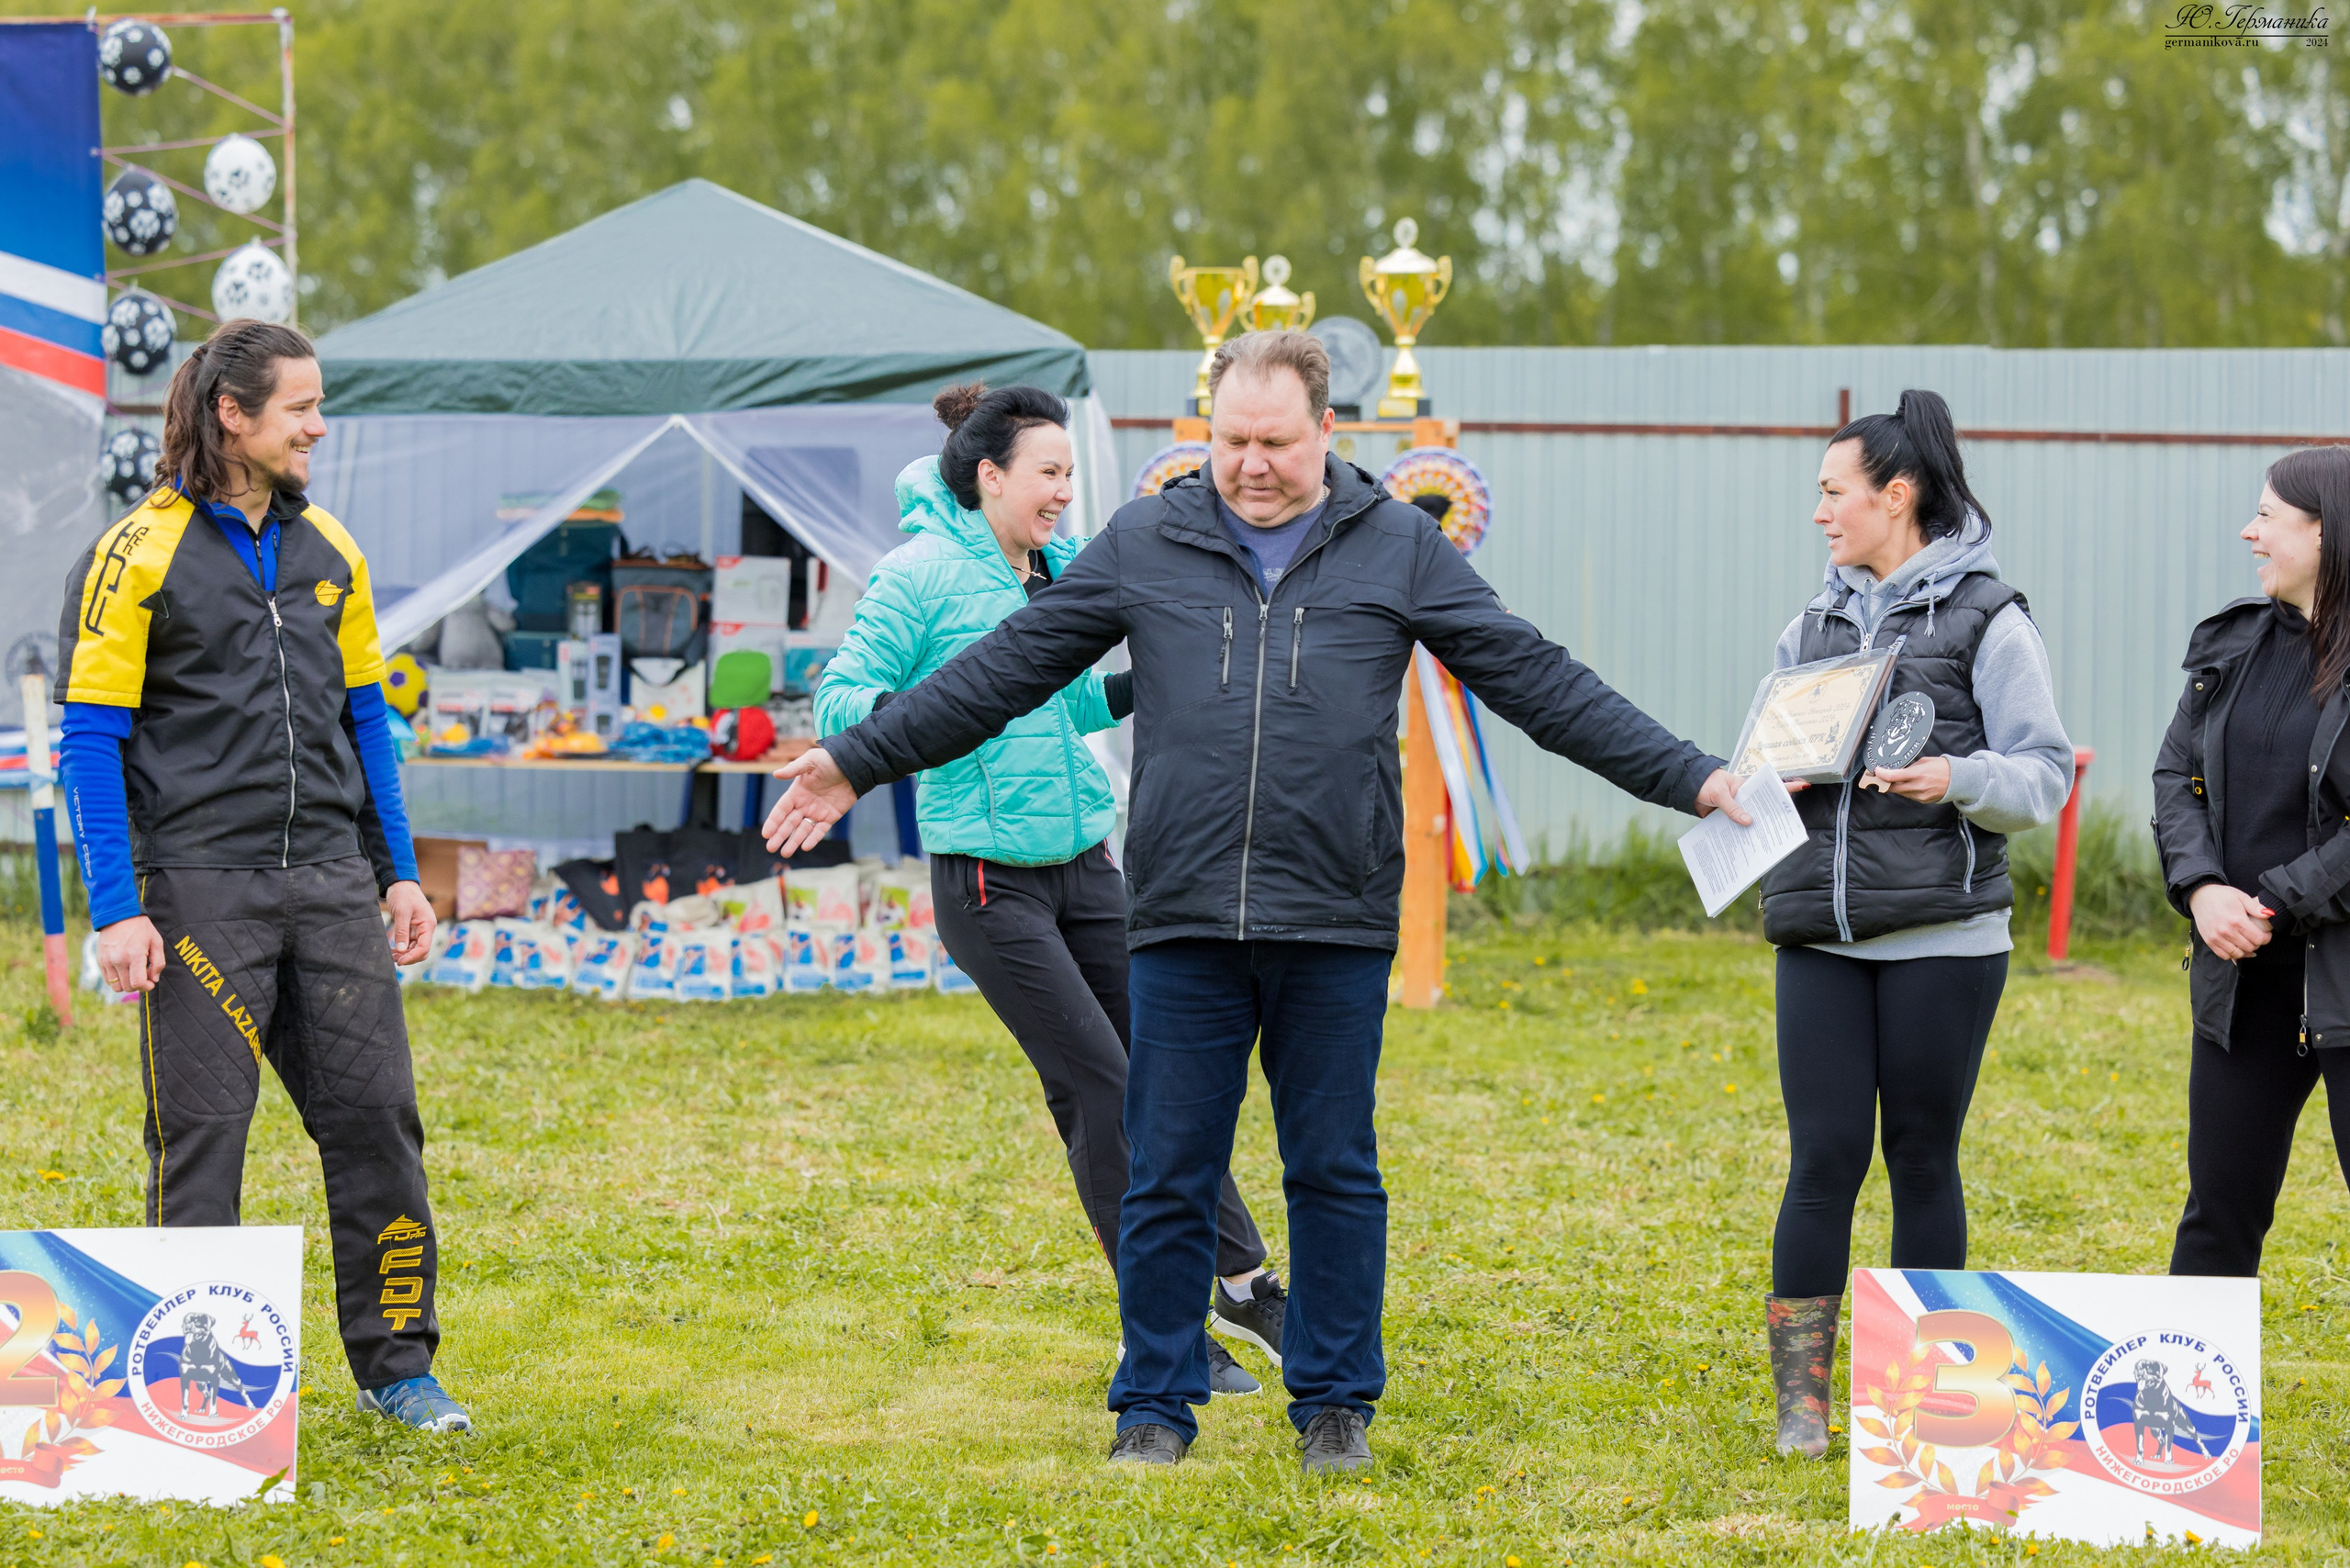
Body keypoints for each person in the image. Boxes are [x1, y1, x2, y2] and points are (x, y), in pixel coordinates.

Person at [763, 330, 1749, 1473]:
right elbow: (1004, 669)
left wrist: (1689, 775)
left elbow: (1535, 677)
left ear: (1327, 431)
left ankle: (1333, 1404)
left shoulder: (1398, 546)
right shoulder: (1148, 539)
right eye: (1230, 440)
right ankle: (1153, 1402)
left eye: (1275, 442)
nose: (1251, 464)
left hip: (1332, 914)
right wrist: (860, 757)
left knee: (1332, 1169)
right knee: (1166, 1162)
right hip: (1183, 915)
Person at [816, 381, 1280, 1398]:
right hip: (987, 880)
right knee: (1104, 1088)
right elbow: (840, 699)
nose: (1066, 491)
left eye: (1071, 473)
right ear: (991, 476)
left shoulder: (1057, 572)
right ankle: (1163, 1327)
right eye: (1050, 473)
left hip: (1085, 865)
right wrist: (942, 712)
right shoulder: (918, 575)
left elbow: (1071, 706)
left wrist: (1163, 678)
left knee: (1164, 1078)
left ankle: (1244, 1285)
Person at [53, 319, 470, 1433]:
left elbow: (367, 721)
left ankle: (399, 1369)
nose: (319, 426)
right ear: (232, 416)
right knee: (204, 1138)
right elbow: (90, 741)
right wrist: (118, 909)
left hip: (331, 885)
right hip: (200, 892)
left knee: (378, 1121)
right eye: (301, 407)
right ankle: (188, 1409)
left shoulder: (333, 549)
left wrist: (398, 873)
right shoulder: (132, 554)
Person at [1755, 389, 2072, 1458]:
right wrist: (1762, 783)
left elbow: (2041, 777)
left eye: (1831, 492)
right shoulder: (1809, 627)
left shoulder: (1990, 619)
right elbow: (1765, 767)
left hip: (1945, 940)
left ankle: (1938, 1404)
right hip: (1820, 939)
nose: (1818, 513)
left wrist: (1956, 777)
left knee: (1923, 1159)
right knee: (1821, 1158)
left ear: (1895, 496)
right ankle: (1802, 1407)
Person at [2154, 447, 2350, 1279]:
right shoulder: (2234, 644)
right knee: (2218, 1213)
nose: (2249, 531)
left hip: (2336, 967)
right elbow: (2176, 775)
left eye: (2268, 515)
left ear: (2326, 532)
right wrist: (2202, 889)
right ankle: (2185, 1375)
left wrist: (2272, 901)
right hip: (2243, 974)